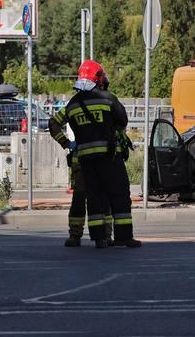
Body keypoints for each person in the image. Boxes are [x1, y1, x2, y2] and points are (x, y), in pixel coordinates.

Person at [56, 60, 141, 249]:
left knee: (93, 198)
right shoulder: (108, 99)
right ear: (98, 78)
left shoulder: (72, 104)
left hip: (85, 160)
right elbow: (122, 120)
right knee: (118, 196)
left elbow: (53, 123)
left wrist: (67, 144)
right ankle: (123, 237)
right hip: (109, 158)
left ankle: (98, 238)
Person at [49, 111, 113, 247]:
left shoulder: (77, 104)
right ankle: (89, 235)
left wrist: (66, 143)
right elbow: (53, 123)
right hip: (92, 162)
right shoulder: (102, 101)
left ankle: (100, 235)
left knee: (96, 199)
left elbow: (53, 123)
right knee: (87, 200)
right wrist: (66, 142)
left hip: (93, 161)